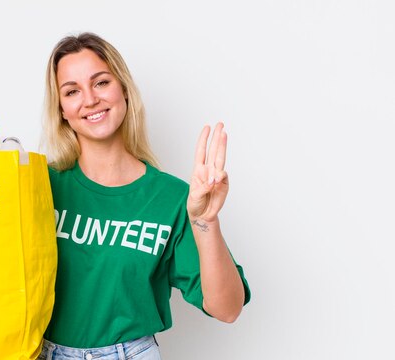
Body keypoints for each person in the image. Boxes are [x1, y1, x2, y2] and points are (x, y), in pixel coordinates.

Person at [37, 32, 250, 359]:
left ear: (123, 89)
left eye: (101, 83)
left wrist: (206, 221)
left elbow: (227, 308)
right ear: (62, 110)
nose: (90, 99)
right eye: (72, 91)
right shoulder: (40, 185)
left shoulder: (174, 198)